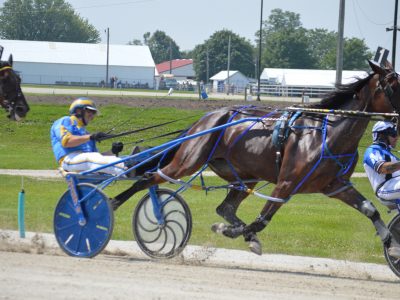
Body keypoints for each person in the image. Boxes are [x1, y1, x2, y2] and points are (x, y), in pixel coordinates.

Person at [50, 97, 126, 176]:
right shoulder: (65, 121)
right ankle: (125, 169)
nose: (92, 116)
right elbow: (66, 141)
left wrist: (112, 151)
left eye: (94, 113)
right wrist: (91, 137)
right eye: (90, 111)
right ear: (79, 111)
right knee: (89, 158)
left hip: (85, 162)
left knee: (98, 158)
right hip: (69, 160)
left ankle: (134, 166)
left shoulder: (86, 133)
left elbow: (98, 158)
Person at [363, 120, 400, 258]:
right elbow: (383, 168)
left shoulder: (389, 152)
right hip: (385, 189)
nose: (396, 137)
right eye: (393, 134)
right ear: (382, 135)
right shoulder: (372, 151)